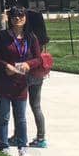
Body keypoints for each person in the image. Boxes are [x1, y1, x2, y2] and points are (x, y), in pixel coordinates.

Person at [0, 6, 43, 156]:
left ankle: (22, 148)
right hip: (2, 82)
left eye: (21, 16)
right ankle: (4, 147)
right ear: (10, 19)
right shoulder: (3, 36)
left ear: (25, 18)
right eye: (14, 16)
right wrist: (6, 66)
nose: (18, 18)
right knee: (4, 117)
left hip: (21, 83)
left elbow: (38, 58)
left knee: (21, 118)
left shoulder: (30, 37)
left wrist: (28, 64)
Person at [25, 9, 51, 148]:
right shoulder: (41, 38)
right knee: (36, 106)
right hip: (38, 74)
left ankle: (18, 135)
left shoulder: (28, 37)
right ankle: (41, 137)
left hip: (26, 73)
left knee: (19, 105)